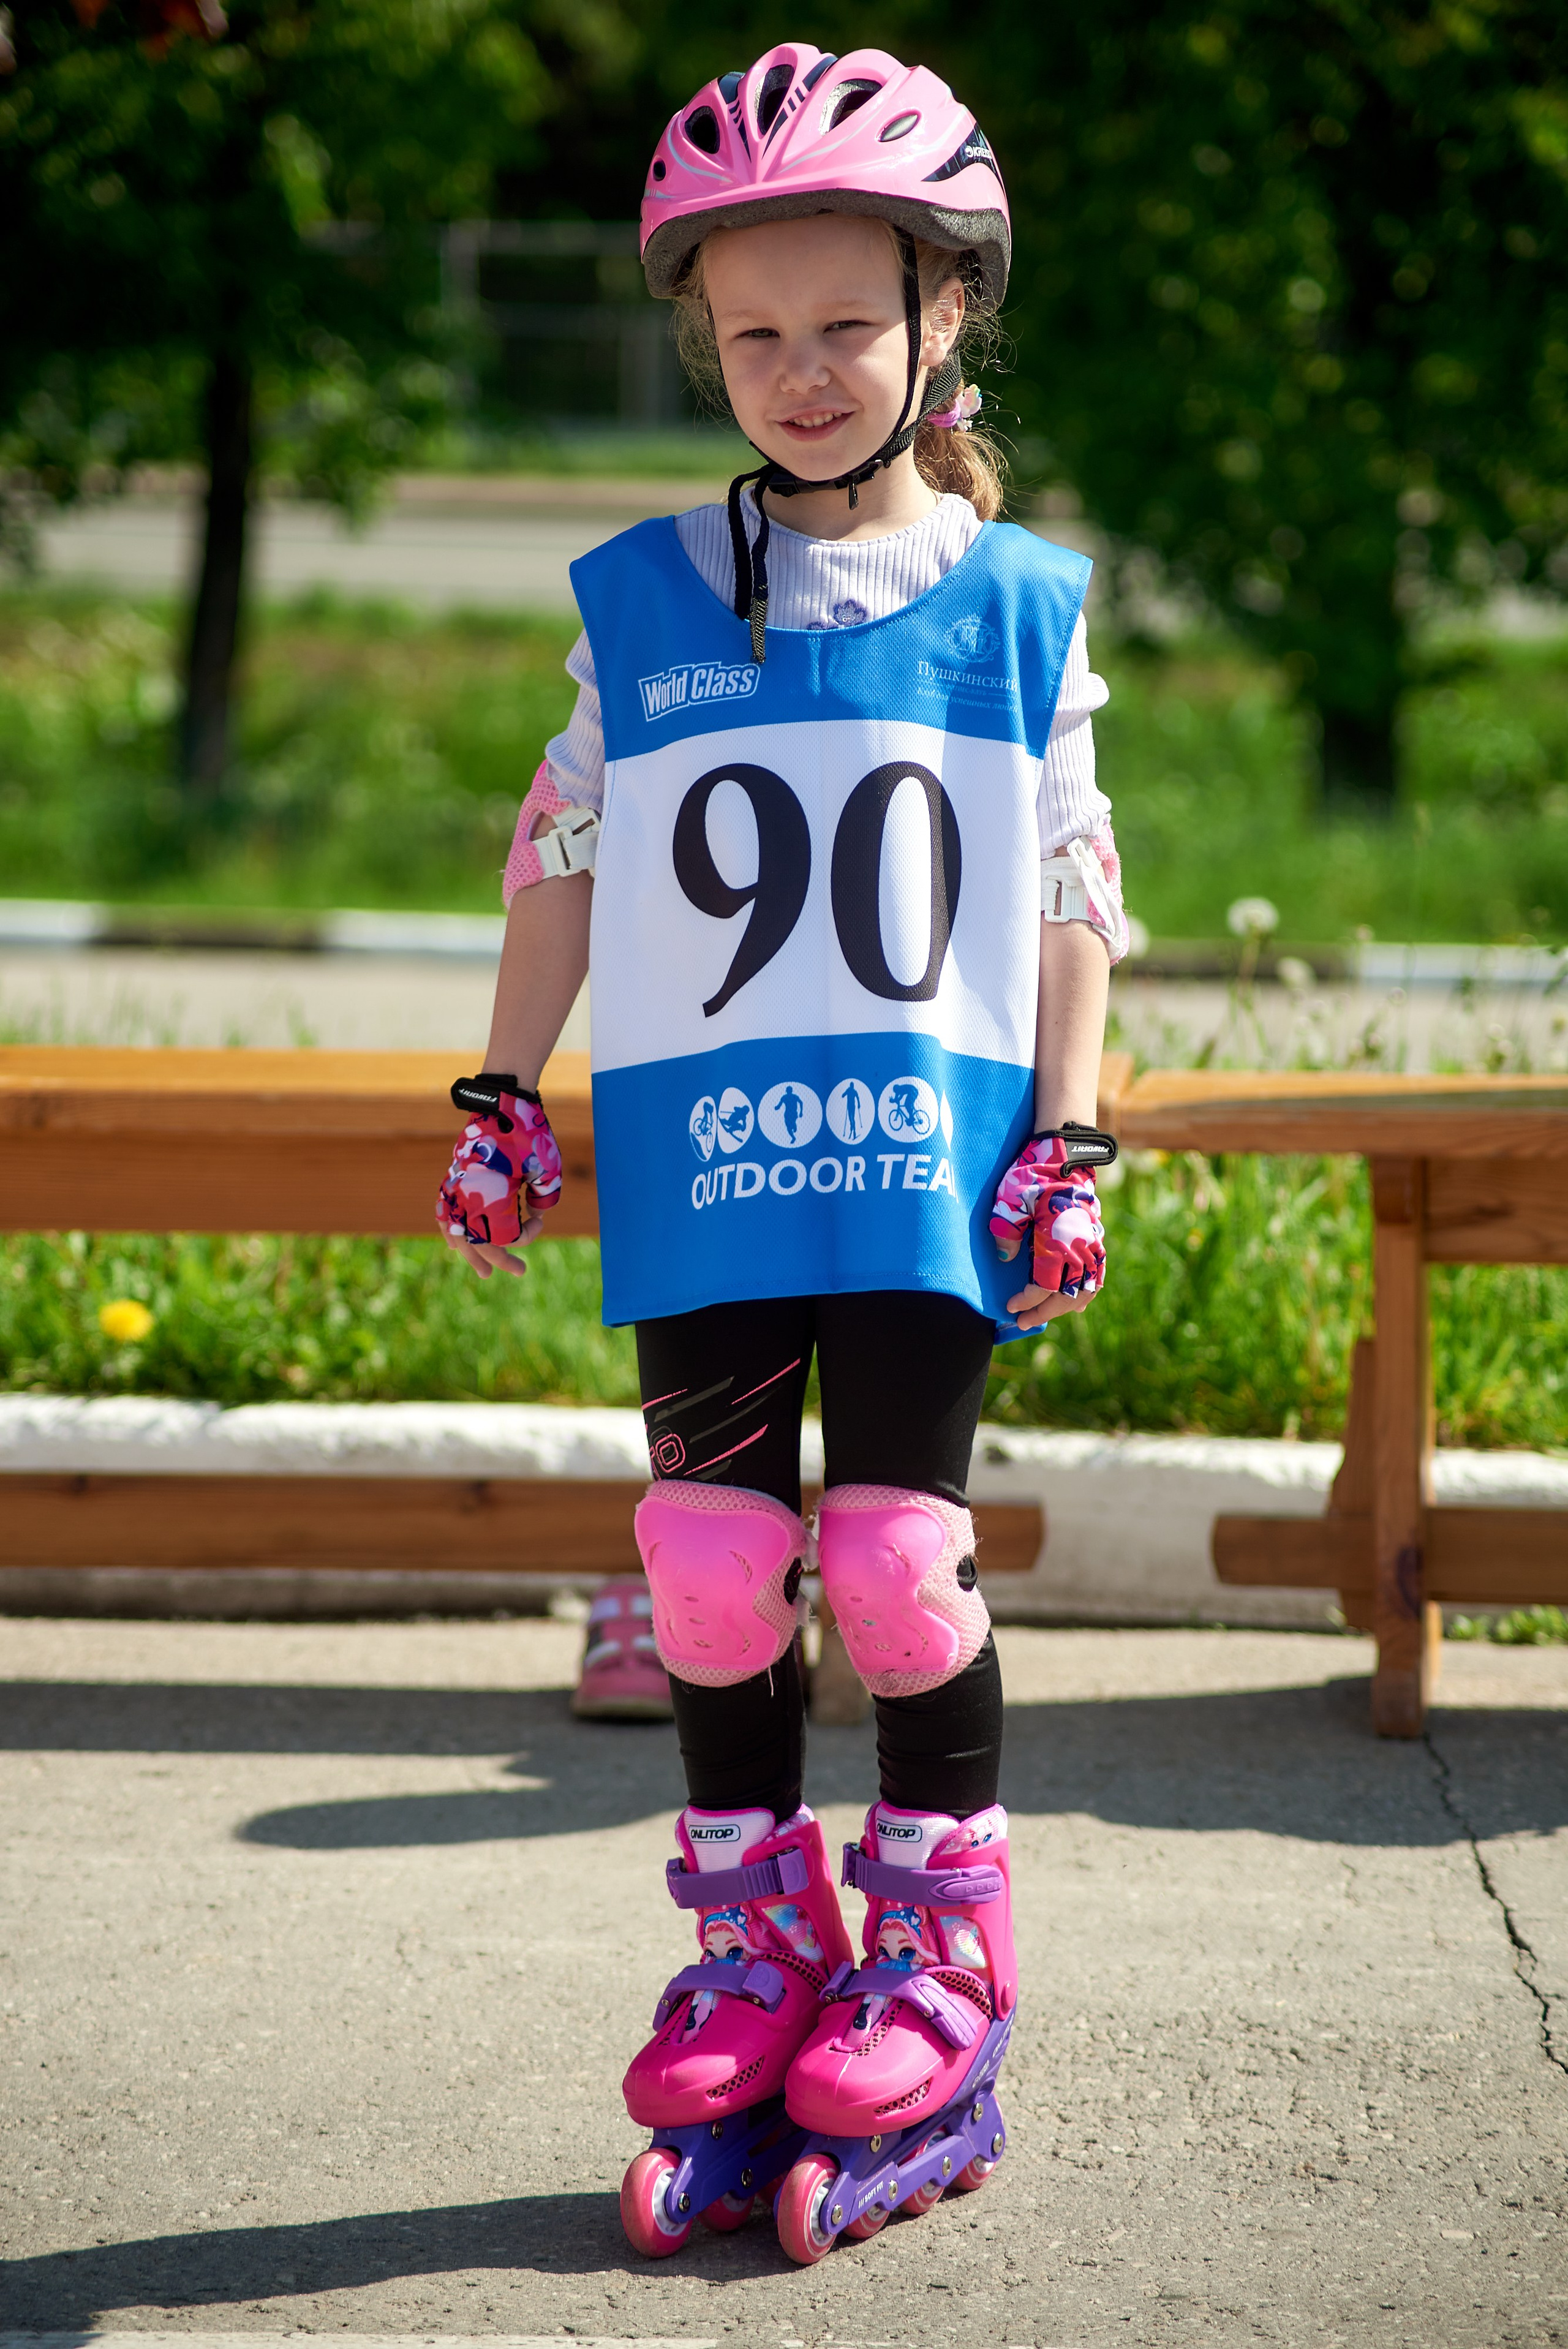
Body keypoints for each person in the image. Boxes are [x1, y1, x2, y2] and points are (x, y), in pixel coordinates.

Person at [436, 40, 1128, 2262]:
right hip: (718, 1164)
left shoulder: (1016, 601)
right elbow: (567, 839)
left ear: (946, 320)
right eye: (753, 333)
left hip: (925, 1176)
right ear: (702, 343)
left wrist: (1078, 1131)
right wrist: (501, 1084)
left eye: (847, 322)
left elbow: (1064, 878)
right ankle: (754, 1936)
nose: (801, 370)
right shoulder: (643, 598)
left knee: (899, 1571)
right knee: (714, 1571)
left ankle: (940, 1949)